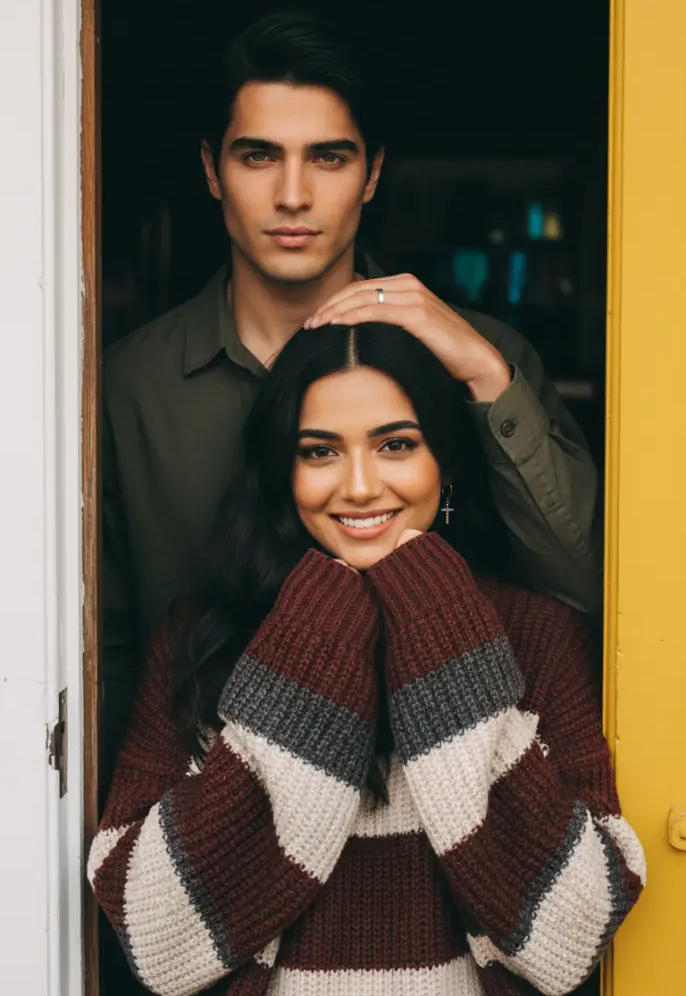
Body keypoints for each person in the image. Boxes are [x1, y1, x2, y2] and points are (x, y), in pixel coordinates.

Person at [103, 9, 602, 785]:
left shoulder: (482, 356)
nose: (292, 195)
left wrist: (484, 374)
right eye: (259, 155)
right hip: (206, 807)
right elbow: (103, 657)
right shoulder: (126, 385)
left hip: (450, 806)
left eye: (328, 158)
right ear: (211, 170)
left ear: (371, 174)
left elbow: (584, 587)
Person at [90, 323, 644, 996]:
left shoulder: (536, 637)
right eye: (320, 451)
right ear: (284, 473)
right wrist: (315, 639)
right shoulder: (201, 639)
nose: (358, 485)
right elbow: (156, 942)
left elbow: (572, 938)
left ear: (445, 464)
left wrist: (442, 630)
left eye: (396, 445)